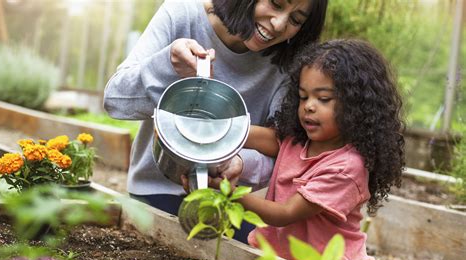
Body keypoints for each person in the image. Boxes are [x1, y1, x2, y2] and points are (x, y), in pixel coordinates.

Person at [103, 0, 328, 242]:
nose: (278, 24)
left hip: (228, 201)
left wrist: (240, 162)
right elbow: (115, 100)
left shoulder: (286, 64)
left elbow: (284, 152)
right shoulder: (183, 14)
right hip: (156, 191)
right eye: (275, 3)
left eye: (296, 20)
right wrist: (168, 65)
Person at [220, 39, 405, 260]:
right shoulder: (301, 141)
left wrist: (228, 192)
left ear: (355, 105)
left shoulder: (347, 167)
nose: (309, 106)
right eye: (304, 96)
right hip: (283, 259)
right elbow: (268, 138)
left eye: (323, 99)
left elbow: (286, 213)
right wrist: (225, 131)